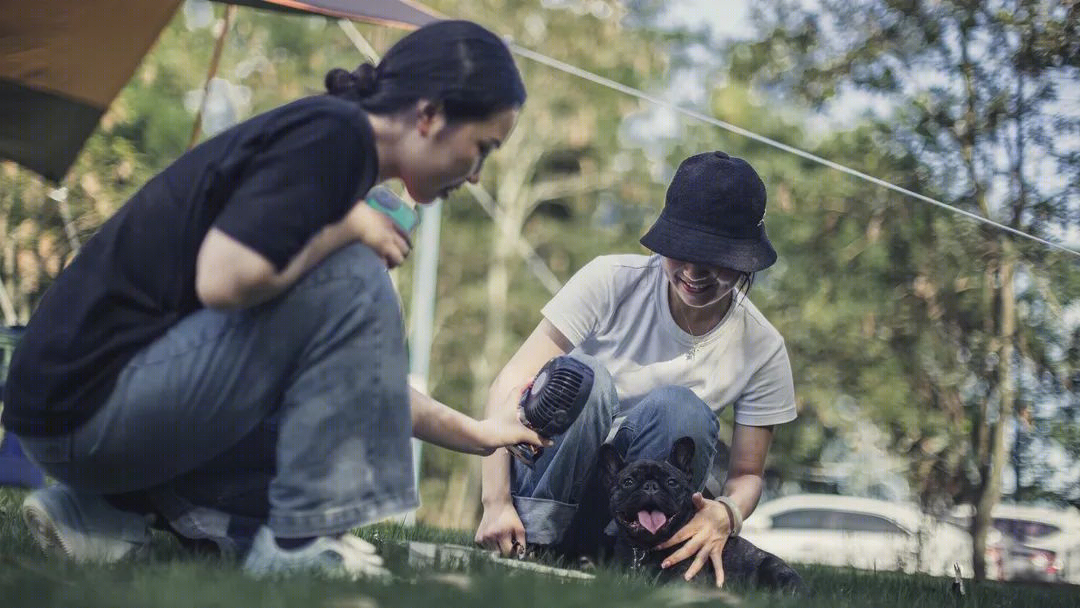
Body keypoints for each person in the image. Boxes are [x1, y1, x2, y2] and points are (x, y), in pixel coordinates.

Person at [3, 20, 543, 578]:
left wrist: (479, 435)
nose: (477, 175)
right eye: (482, 148)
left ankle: (100, 512)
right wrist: (348, 229)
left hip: (74, 417)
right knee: (355, 270)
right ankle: (298, 540)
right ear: (430, 115)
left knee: (338, 291)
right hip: (88, 416)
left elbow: (358, 377)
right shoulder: (333, 135)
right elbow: (225, 277)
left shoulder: (334, 146)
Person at [475, 152, 797, 587]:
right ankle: (533, 546)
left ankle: (630, 563)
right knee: (587, 379)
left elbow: (747, 475)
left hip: (638, 519)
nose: (693, 272)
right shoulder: (610, 279)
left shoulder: (762, 347)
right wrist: (495, 503)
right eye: (680, 250)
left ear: (746, 259)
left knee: (682, 409)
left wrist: (727, 513)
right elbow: (508, 386)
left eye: (714, 257)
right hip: (547, 482)